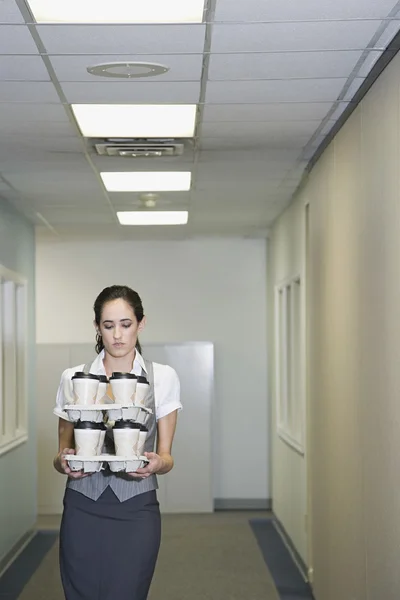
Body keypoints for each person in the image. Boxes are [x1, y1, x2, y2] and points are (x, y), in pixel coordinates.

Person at [53, 285, 181, 600]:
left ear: (141, 323)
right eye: (108, 326)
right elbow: (60, 456)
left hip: (136, 508)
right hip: (82, 506)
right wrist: (64, 462)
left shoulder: (161, 377)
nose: (118, 335)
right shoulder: (74, 377)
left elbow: (167, 457)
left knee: (127, 592)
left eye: (126, 324)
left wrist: (157, 463)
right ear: (97, 327)